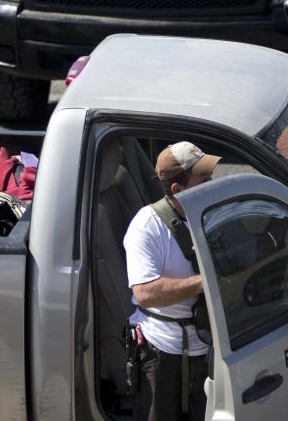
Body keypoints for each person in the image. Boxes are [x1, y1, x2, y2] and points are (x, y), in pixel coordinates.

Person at [124, 141, 217, 421]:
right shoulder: (146, 227)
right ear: (177, 190)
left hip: (208, 347)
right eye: (204, 180)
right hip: (162, 353)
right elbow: (145, 293)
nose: (213, 184)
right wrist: (206, 281)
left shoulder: (211, 212)